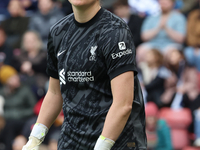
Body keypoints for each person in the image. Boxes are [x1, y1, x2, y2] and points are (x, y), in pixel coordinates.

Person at [22, 0, 147, 150]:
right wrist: (35, 139)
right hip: (71, 141)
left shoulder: (116, 31)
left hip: (117, 142)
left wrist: (102, 146)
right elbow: (55, 92)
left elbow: (123, 105)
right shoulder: (58, 31)